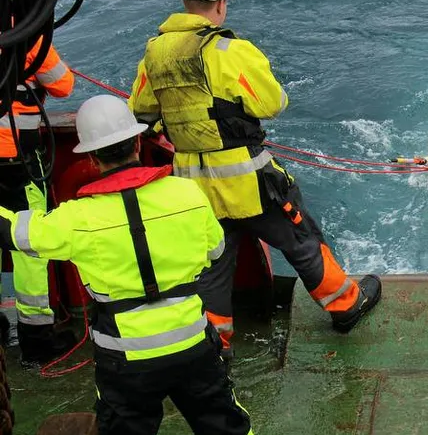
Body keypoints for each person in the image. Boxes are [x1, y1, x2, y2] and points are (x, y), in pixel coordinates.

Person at [128, 0, 381, 358]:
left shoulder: (154, 55)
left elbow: (141, 112)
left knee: (212, 265)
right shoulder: (231, 50)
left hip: (192, 189)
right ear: (222, 1)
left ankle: (216, 344)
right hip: (248, 182)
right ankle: (345, 305)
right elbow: (271, 102)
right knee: (299, 239)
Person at [0, 94, 253, 435]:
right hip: (193, 345)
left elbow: (16, 234)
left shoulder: (77, 218)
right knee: (227, 425)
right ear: (137, 140)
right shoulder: (187, 193)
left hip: (125, 360)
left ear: (91, 156)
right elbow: (216, 250)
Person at [0, 33, 76, 363]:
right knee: (29, 243)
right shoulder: (25, 33)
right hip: (15, 161)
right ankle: (36, 338)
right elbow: (63, 84)